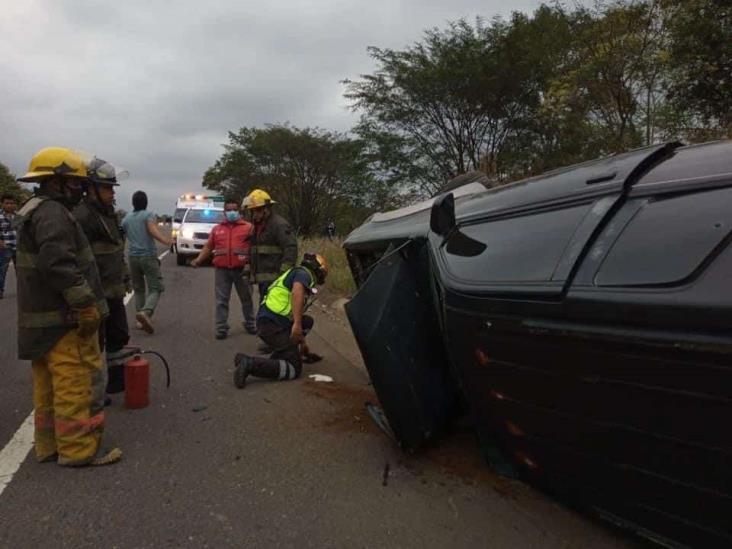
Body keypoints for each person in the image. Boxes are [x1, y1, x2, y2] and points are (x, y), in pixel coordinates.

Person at [15, 147, 120, 466]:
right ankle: (78, 450)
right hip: (64, 319)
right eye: (75, 183)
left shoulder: (35, 209)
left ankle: (49, 445)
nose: (81, 189)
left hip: (42, 321)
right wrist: (85, 304)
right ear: (56, 181)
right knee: (76, 383)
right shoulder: (55, 214)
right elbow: (58, 263)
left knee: (48, 387)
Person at [73, 158, 130, 398]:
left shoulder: (109, 214)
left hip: (113, 291)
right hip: (95, 293)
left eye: (112, 188)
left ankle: (116, 382)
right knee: (93, 343)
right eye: (107, 188)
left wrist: (125, 278)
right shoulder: (82, 215)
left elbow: (116, 250)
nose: (111, 193)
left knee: (118, 335)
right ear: (91, 189)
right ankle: (91, 393)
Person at [233, 252, 328, 387]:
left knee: (307, 321)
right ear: (318, 270)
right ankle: (250, 364)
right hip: (271, 325)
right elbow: (297, 292)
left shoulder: (296, 272)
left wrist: (302, 343)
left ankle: (282, 353)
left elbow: (297, 309)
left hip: (272, 321)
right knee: (294, 368)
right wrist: (296, 324)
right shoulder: (304, 274)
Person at [191, 199, 256, 339]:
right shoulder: (217, 229)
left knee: (247, 298)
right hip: (222, 270)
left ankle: (251, 324)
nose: (232, 212)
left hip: (242, 269)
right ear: (224, 212)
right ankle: (221, 328)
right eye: (229, 210)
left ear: (239, 211)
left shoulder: (249, 228)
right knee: (221, 300)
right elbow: (209, 247)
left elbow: (255, 247)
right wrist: (198, 260)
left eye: (234, 209)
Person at [121, 190, 173, 334]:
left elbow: (122, 237)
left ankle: (139, 321)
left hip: (133, 257)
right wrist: (167, 241)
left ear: (133, 203)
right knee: (156, 287)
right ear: (146, 202)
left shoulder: (126, 218)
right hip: (148, 256)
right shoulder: (148, 215)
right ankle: (146, 312)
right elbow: (152, 230)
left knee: (138, 289)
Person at [241, 189, 297, 302]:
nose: (254, 214)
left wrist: (283, 275)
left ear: (266, 209)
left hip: (275, 279)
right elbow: (252, 250)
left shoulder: (279, 225)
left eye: (257, 210)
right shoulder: (257, 226)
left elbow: (290, 249)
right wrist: (247, 271)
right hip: (263, 280)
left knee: (270, 309)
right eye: (252, 211)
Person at [0, 194, 18, 299]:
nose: (10, 205)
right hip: (5, 247)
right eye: (7, 203)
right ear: (2, 204)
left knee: (20, 271)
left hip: (18, 246)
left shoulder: (18, 215)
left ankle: (23, 291)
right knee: (2, 270)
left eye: (12, 203)